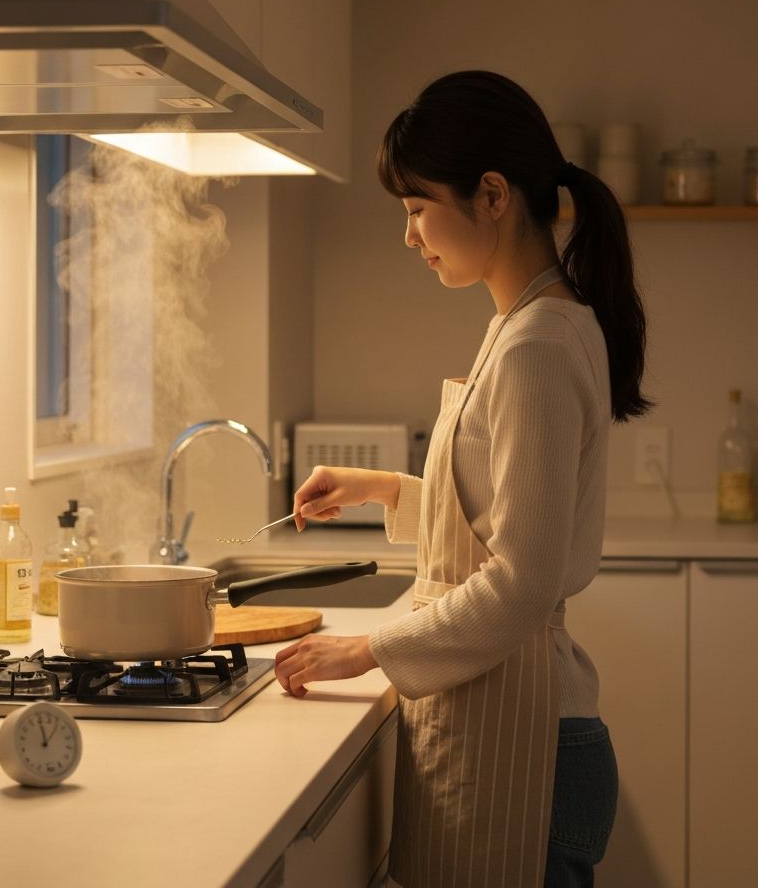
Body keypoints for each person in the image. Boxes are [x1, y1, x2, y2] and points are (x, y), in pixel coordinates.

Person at [274, 70, 649, 888]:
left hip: (532, 745)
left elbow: (522, 581)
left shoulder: (537, 345)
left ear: (492, 195)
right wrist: (383, 488)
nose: (409, 236)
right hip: (521, 724)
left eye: (416, 208)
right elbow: (505, 514)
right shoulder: (531, 323)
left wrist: (367, 649)